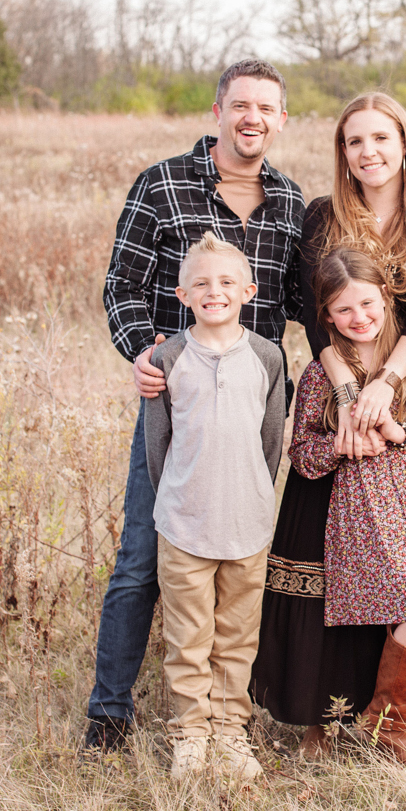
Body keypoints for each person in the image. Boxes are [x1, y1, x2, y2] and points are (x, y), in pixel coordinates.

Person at [250, 92, 406, 758]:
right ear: (341, 152)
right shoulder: (325, 214)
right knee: (325, 565)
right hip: (338, 384)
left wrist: (385, 388)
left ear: (404, 142)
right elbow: (311, 304)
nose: (368, 153)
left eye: (381, 138)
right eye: (354, 141)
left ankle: (395, 712)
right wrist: (348, 389)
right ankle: (319, 707)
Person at [88, 59, 305, 750]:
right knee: (143, 557)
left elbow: (303, 305)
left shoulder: (291, 203)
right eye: (241, 105)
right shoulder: (163, 184)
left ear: (280, 119)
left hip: (251, 411)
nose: (252, 118)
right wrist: (145, 354)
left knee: (242, 562)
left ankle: (228, 717)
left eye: (265, 108)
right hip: (176, 406)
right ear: (219, 110)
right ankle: (110, 713)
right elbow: (122, 284)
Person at [286, 249, 406, 763]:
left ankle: (384, 722)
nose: (358, 318)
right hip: (361, 511)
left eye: (367, 304)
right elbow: (302, 454)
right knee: (399, 611)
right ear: (326, 318)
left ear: (386, 300)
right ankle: (376, 726)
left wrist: (400, 431)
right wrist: (338, 446)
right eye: (343, 311)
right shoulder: (321, 375)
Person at [144, 234, 288, 780]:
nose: (214, 291)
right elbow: (158, 445)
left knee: (236, 635)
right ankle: (191, 733)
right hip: (184, 523)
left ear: (248, 291)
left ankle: (231, 732)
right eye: (201, 283)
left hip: (248, 525)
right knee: (188, 635)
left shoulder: (267, 357)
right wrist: (178, 499)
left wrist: (252, 492)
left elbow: (270, 441)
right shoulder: (169, 357)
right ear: (182, 293)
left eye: (227, 282)